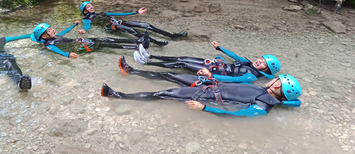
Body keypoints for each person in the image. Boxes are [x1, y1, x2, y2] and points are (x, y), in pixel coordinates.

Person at [101, 74, 302, 117]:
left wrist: (204, 108)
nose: (275, 81)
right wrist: (209, 77)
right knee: (170, 76)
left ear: (280, 91)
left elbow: (236, 117)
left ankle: (118, 95)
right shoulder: (263, 91)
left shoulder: (262, 106)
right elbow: (232, 84)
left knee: (162, 94)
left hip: (203, 96)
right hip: (208, 85)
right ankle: (134, 71)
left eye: (279, 83)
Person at [134, 41, 280, 82]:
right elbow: (235, 56)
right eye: (259, 59)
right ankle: (150, 56)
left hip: (213, 71)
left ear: (266, 70)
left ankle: (145, 63)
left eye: (262, 64)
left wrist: (211, 75)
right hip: (214, 64)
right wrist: (220, 48)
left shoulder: (251, 76)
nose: (258, 62)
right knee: (183, 58)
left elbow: (232, 81)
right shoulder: (248, 64)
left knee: (182, 64)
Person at [77, 1, 187, 44]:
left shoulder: (102, 12)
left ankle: (172, 36)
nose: (91, 7)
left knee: (146, 25)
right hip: (112, 27)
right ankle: (157, 42)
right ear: (85, 11)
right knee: (134, 31)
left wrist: (136, 12)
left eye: (91, 5)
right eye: (88, 7)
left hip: (119, 22)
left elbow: (119, 14)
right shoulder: (88, 18)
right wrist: (84, 30)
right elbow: (87, 25)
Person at [30, 23, 152, 57]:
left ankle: (138, 41)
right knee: (106, 44)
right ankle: (136, 47)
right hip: (81, 47)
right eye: (49, 30)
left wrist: (73, 25)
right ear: (44, 36)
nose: (53, 30)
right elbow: (57, 51)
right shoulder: (49, 44)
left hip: (80, 41)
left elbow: (64, 32)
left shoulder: (54, 37)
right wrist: (67, 55)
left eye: (51, 28)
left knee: (106, 39)